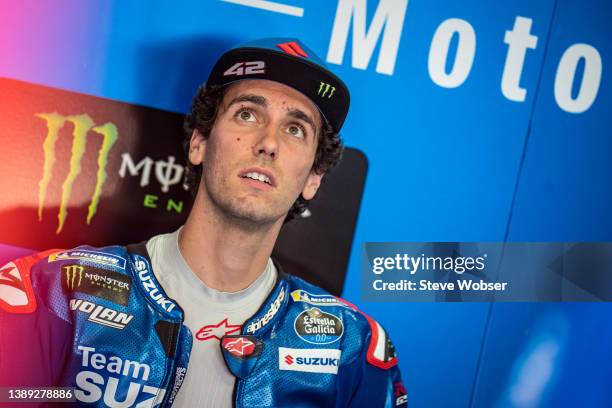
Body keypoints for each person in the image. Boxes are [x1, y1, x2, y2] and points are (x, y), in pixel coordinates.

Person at [0, 38, 407, 407]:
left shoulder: (352, 347)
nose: (268, 143)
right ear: (199, 142)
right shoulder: (54, 296)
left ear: (313, 178)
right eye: (247, 114)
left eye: (296, 129)